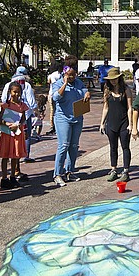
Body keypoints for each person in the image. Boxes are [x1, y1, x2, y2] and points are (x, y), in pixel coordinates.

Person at [50, 56, 90, 187]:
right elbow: (55, 97)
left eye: (73, 75)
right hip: (63, 118)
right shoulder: (57, 83)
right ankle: (57, 174)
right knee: (64, 145)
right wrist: (65, 84)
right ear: (64, 73)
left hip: (77, 117)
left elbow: (84, 90)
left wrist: (87, 93)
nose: (71, 77)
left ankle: (70, 171)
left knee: (74, 146)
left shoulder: (78, 82)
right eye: (69, 75)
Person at [99, 67, 133, 183]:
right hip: (111, 122)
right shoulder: (107, 90)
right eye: (111, 79)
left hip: (124, 122)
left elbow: (130, 108)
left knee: (125, 147)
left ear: (119, 78)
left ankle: (126, 171)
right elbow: (106, 107)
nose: (113, 81)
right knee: (113, 147)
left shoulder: (126, 90)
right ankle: (113, 169)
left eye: (115, 79)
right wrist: (102, 123)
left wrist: (131, 124)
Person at [0, 81, 29, 189]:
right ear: (10, 92)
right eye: (14, 92)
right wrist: (6, 123)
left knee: (15, 155)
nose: (16, 94)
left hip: (17, 133)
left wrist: (18, 124)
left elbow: (23, 118)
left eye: (18, 92)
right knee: (5, 156)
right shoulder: (6, 105)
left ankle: (13, 176)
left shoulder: (22, 105)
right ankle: (4, 178)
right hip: (7, 134)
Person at [1, 66, 37, 163]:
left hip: (11, 113)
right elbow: (32, 102)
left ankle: (11, 156)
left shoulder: (8, 84)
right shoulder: (27, 85)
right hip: (22, 113)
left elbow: (3, 98)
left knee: (14, 136)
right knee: (24, 136)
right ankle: (24, 156)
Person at [45, 63, 62, 135]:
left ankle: (54, 126)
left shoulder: (52, 75)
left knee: (53, 111)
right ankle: (53, 126)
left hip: (53, 94)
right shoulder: (56, 75)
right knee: (54, 110)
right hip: (54, 94)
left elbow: (49, 82)